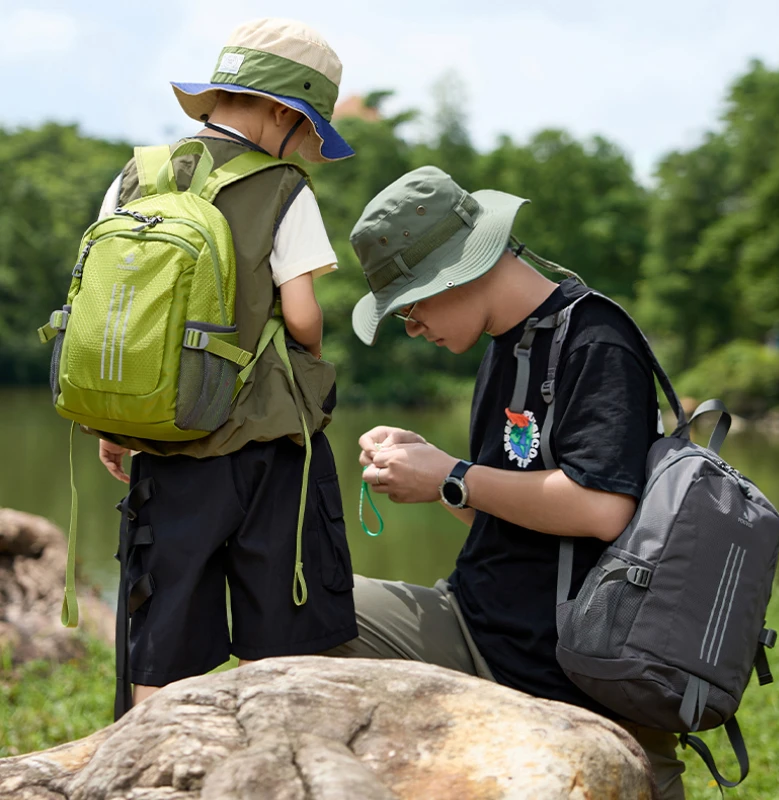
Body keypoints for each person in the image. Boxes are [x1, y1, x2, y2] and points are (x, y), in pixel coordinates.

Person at [324, 165, 686, 799]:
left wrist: (452, 475)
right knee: (298, 602)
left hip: (561, 661)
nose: (413, 328)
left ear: (462, 268)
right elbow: (510, 510)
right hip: (480, 623)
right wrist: (438, 476)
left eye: (413, 305)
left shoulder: (596, 339)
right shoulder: (504, 345)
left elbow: (601, 509)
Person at [95, 18, 358, 710]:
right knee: (282, 627)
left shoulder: (137, 175)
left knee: (164, 619)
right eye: (305, 130)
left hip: (163, 430)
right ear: (282, 112)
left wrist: (116, 419)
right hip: (260, 443)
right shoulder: (282, 189)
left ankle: (146, 751)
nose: (303, 146)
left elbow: (110, 312)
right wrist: (312, 350)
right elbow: (301, 315)